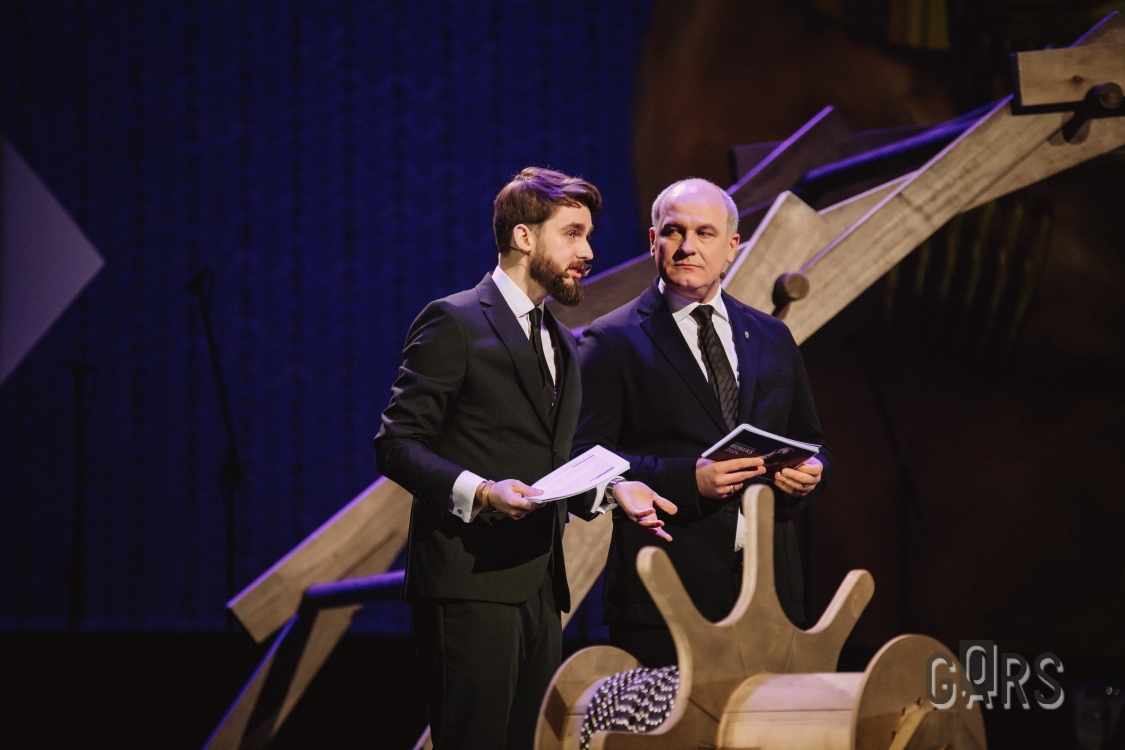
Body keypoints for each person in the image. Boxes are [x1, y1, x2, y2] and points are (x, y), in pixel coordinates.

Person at [373, 167, 676, 750]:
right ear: (524, 237)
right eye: (573, 234)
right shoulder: (455, 320)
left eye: (588, 236)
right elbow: (396, 444)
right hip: (469, 582)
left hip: (539, 585)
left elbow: (551, 464)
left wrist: (614, 490)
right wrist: (483, 491)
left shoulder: (560, 339)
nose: (588, 252)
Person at [572, 177, 832, 668]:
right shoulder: (611, 339)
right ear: (654, 241)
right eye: (674, 231)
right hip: (667, 595)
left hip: (772, 591)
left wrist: (813, 472)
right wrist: (687, 479)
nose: (687, 246)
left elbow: (813, 442)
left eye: (705, 233)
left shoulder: (772, 335)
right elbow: (582, 458)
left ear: (731, 247)